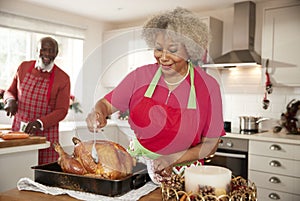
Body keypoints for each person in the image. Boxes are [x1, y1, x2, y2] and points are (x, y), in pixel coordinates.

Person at [86, 7, 225, 181]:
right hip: (137, 168)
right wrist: (97, 113)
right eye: (159, 49)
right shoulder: (139, 77)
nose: (163, 57)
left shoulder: (208, 87)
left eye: (173, 50)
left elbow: (210, 144)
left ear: (190, 50)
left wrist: (171, 159)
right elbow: (106, 105)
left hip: (185, 176)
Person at [4, 37, 71, 165]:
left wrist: (39, 123)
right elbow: (10, 91)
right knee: (17, 168)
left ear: (56, 53)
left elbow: (62, 110)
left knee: (42, 176)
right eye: (43, 50)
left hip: (46, 135)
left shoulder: (63, 78)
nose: (47, 54)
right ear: (37, 51)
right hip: (19, 132)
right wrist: (10, 100)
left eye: (51, 51)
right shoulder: (23, 67)